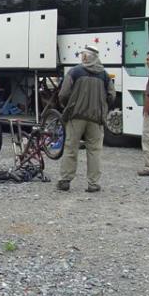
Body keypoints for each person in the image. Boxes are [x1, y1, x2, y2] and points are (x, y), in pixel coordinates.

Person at [56, 45, 116, 192]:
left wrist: (68, 106)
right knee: (95, 150)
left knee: (71, 147)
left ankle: (65, 180)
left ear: (85, 57)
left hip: (76, 116)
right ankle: (93, 183)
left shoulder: (75, 71)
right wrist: (103, 106)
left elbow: (63, 94)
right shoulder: (104, 75)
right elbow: (112, 95)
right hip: (96, 117)